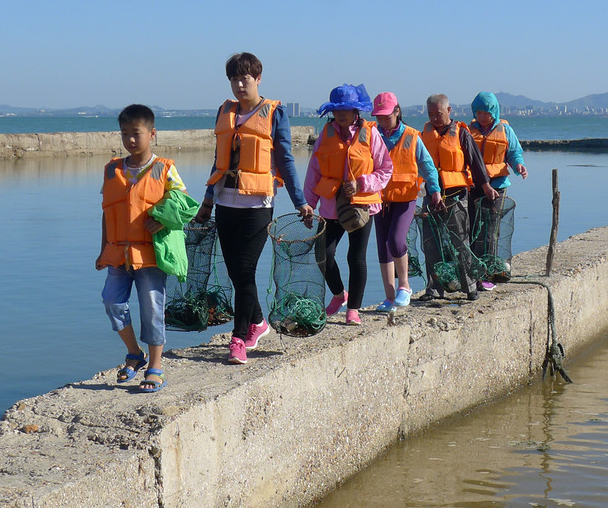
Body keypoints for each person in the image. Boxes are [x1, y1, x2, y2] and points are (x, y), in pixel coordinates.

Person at [196, 52, 311, 365]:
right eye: (233, 78)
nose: (238, 84)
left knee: (245, 271)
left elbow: (285, 160)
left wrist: (300, 201)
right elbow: (218, 161)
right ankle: (258, 321)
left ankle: (239, 339)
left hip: (258, 206)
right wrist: (207, 201)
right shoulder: (226, 112)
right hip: (225, 204)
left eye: (244, 78)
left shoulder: (274, 113)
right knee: (237, 274)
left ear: (258, 78)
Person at [97, 104, 197, 392]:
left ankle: (156, 366)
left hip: (150, 256)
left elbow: (185, 203)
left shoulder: (164, 168)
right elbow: (107, 213)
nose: (130, 139)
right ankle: (134, 353)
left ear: (152, 134)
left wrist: (162, 219)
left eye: (136, 133)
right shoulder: (112, 170)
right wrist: (102, 249)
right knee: (112, 303)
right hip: (118, 254)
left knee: (152, 309)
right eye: (125, 133)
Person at [304, 84, 392, 325]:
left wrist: (362, 184)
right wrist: (308, 203)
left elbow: (386, 169)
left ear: (357, 111)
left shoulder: (371, 134)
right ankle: (339, 294)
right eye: (337, 109)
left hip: (361, 208)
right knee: (323, 253)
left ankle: (353, 309)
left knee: (357, 257)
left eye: (346, 109)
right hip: (331, 206)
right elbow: (314, 170)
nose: (341, 114)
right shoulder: (326, 133)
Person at [370, 92, 441, 312]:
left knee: (396, 240)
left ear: (397, 111)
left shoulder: (411, 136)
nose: (382, 120)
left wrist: (435, 189)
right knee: (383, 247)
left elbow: (428, 165)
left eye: (387, 116)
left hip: (406, 197)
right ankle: (389, 298)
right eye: (379, 116)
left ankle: (405, 286)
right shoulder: (372, 134)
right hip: (380, 199)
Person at [418, 93, 492, 301]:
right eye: (431, 114)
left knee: (460, 241)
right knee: (431, 243)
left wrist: (485, 185)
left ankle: (469, 286)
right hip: (431, 195)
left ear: (449, 111)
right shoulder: (424, 134)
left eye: (438, 114)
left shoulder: (461, 133)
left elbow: (476, 162)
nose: (434, 118)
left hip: (456, 195)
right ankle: (434, 288)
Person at [468, 92, 527, 289]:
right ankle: (473, 273)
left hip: (497, 186)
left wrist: (519, 166)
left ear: (494, 112)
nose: (482, 117)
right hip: (473, 186)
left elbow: (514, 153)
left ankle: (487, 275)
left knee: (491, 231)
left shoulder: (505, 130)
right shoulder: (468, 130)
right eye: (478, 112)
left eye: (486, 113)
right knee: (473, 229)